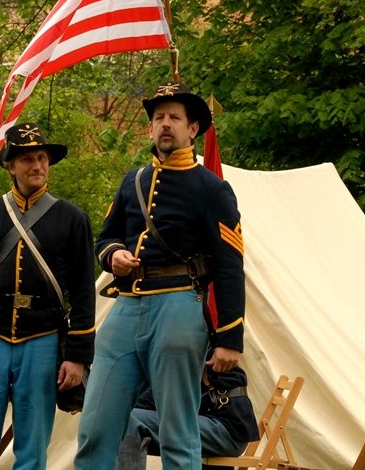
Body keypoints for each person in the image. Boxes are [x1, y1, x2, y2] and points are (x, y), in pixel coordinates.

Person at [75, 81, 245, 470]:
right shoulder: (132, 181)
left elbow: (230, 265)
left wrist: (229, 337)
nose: (165, 124)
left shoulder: (213, 189)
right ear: (150, 128)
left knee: (177, 433)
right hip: (126, 307)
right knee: (95, 428)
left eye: (174, 118)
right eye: (158, 118)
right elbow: (106, 238)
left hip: (180, 304)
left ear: (192, 130)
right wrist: (113, 255)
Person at [0, 122, 96, 470]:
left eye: (42, 158)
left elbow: (84, 294)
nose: (37, 166)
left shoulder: (73, 219)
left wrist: (77, 356)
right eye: (27, 159)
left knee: (32, 448)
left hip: (42, 340)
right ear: (10, 166)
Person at [115, 360, 257, 470]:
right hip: (207, 424)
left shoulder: (189, 339)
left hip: (226, 428)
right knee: (121, 422)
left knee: (129, 421)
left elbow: (156, 395)